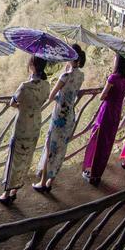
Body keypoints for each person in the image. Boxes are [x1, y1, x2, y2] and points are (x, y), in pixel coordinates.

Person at [34, 44, 86, 193]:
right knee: (61, 148)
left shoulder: (65, 76)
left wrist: (59, 94)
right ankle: (50, 180)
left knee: (50, 146)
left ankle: (42, 182)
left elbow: (51, 96)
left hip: (59, 116)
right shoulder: (80, 75)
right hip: (70, 115)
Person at [0, 56, 50, 204]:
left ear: (32, 65)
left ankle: (6, 194)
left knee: (15, 157)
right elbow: (43, 99)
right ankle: (15, 191)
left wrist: (23, 106)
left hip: (22, 126)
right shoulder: (46, 85)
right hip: (35, 125)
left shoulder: (25, 86)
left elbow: (12, 103)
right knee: (27, 157)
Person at [82, 54, 125, 186]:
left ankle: (92, 174)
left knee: (98, 141)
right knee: (107, 143)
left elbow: (102, 97)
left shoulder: (113, 77)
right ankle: (98, 174)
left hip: (106, 111)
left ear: (118, 63)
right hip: (116, 113)